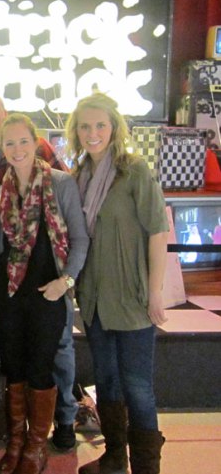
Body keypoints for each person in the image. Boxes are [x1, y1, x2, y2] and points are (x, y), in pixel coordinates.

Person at [0, 90, 79, 451]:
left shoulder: (51, 170)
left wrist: (67, 278)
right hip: (2, 272)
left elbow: (69, 213)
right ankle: (17, 438)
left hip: (48, 279)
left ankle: (65, 420)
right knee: (15, 359)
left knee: (58, 349)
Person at [68, 93, 169, 474]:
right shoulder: (80, 177)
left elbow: (158, 233)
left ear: (113, 127)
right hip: (94, 298)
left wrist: (155, 291)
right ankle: (114, 458)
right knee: (107, 379)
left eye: (99, 125)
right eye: (84, 126)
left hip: (132, 298)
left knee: (137, 385)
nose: (92, 133)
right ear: (76, 132)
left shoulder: (134, 171)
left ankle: (146, 467)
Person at [0, 113, 88, 474]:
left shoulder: (61, 184)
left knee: (41, 368)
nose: (17, 149)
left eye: (23, 141)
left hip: (48, 292)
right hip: (10, 293)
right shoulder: (2, 191)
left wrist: (67, 281)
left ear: (36, 142)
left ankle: (37, 446)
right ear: (3, 147)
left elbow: (79, 238)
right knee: (13, 367)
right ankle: (15, 442)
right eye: (9, 143)